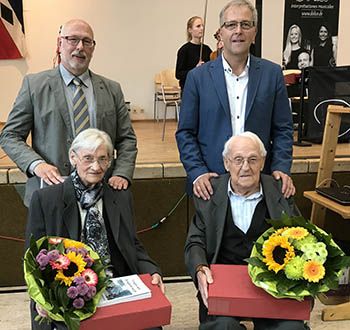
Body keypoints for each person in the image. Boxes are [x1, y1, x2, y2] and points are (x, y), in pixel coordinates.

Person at [25, 128, 164, 330]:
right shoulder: (46, 199)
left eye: (103, 159)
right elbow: (33, 257)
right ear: (73, 157)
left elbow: (132, 244)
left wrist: (152, 271)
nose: (96, 167)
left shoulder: (120, 197)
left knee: (151, 326)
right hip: (69, 291)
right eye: (88, 158)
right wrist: (43, 296)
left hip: (115, 284)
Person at [0, 19, 137, 207]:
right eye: (73, 39)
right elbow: (10, 136)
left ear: (93, 48)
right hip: (50, 194)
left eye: (87, 41)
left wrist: (122, 173)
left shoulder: (112, 89)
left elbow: (127, 139)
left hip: (102, 194)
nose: (80, 47)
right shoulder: (34, 86)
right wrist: (36, 165)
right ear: (60, 44)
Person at [184, 132, 308, 330]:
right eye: (238, 160)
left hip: (272, 284)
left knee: (290, 328)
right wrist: (200, 269)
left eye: (252, 160)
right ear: (226, 163)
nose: (245, 167)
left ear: (262, 162)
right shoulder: (209, 193)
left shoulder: (281, 191)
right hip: (224, 283)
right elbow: (195, 242)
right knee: (222, 327)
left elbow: (303, 239)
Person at [176, 0, 295, 202]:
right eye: (231, 25)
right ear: (221, 33)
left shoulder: (272, 74)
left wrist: (281, 167)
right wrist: (197, 172)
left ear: (254, 33)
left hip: (261, 184)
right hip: (211, 184)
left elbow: (283, 129)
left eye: (245, 24)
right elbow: (185, 132)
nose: (238, 30)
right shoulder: (197, 78)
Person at [175, 16, 212, 90]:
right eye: (198, 26)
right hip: (189, 89)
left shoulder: (207, 49)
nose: (202, 28)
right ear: (190, 30)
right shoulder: (184, 50)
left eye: (202, 26)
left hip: (204, 88)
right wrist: (195, 69)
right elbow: (178, 74)